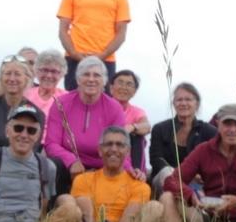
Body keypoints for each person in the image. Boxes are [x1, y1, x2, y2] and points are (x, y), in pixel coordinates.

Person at [73, 126, 163, 222]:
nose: (114, 149)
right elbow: (87, 215)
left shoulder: (139, 185)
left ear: (128, 152)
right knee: (68, 207)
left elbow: (130, 216)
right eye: (108, 144)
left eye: (120, 145)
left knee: (155, 207)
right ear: (99, 150)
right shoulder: (83, 179)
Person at [43, 56, 131, 193]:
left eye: (96, 75)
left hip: (102, 166)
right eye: (86, 74)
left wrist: (130, 170)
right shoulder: (61, 103)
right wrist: (72, 161)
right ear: (78, 79)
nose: (91, 79)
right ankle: (49, 210)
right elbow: (51, 144)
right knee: (50, 165)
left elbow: (119, 145)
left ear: (104, 81)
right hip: (67, 164)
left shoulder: (114, 108)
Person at [57, 0, 131, 89]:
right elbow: (62, 30)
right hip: (74, 59)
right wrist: (75, 54)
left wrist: (101, 55)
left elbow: (121, 34)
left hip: (106, 59)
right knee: (72, 102)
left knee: (104, 104)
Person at [147, 83, 217, 191]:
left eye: (188, 99)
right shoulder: (160, 129)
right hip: (164, 180)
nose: (183, 103)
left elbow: (214, 162)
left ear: (197, 104)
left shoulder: (209, 131)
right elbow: (156, 160)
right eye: (179, 100)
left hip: (196, 183)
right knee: (167, 172)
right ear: (174, 104)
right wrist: (182, 174)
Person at [0, 54, 36, 163]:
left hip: (23, 169)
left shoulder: (36, 114)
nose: (12, 79)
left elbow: (33, 151)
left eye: (17, 74)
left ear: (27, 79)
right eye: (8, 74)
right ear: (1, 78)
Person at [109, 69, 151, 173]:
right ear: (111, 87)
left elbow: (147, 126)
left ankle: (138, 173)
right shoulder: (102, 106)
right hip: (105, 152)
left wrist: (133, 127)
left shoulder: (137, 111)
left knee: (137, 136)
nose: (124, 87)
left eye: (129, 84)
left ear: (134, 91)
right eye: (120, 82)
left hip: (129, 156)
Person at [25, 49, 67, 124]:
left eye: (54, 71)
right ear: (36, 71)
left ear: (62, 74)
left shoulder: (68, 98)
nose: (48, 75)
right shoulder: (25, 96)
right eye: (44, 70)